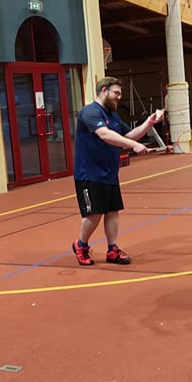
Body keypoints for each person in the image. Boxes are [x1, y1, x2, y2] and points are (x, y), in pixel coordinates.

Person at [72, 77, 163, 266]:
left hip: (110, 173)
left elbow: (129, 135)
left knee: (113, 211)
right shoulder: (89, 112)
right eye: (116, 93)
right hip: (89, 174)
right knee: (94, 214)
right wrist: (133, 145)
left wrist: (148, 123)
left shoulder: (113, 116)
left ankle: (112, 249)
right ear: (104, 91)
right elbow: (105, 135)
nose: (119, 97)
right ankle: (81, 245)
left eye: (120, 94)